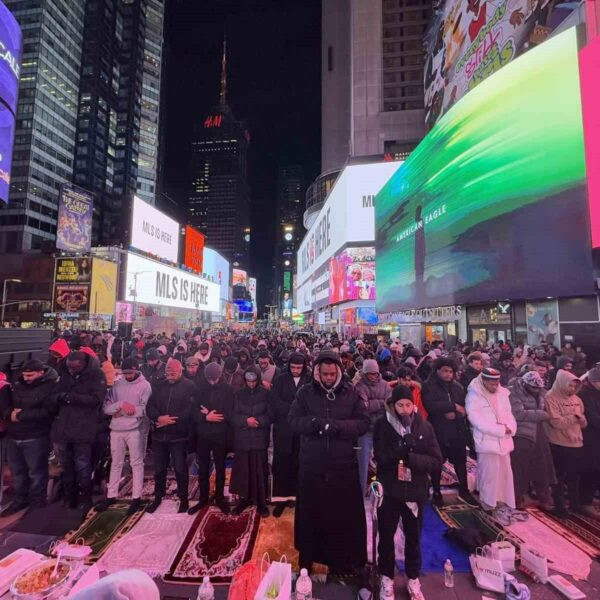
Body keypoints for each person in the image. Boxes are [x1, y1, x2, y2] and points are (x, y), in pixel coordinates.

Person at [289, 350, 369, 581]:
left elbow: (363, 423)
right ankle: (307, 559)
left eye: (332, 374)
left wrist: (339, 427)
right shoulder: (305, 393)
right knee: (309, 517)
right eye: (324, 374)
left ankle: (339, 564)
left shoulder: (351, 393)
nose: (328, 378)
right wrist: (314, 424)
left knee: (340, 518)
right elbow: (292, 421)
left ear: (339, 372)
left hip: (342, 467)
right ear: (317, 373)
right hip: (312, 466)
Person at [374, 385, 442, 600]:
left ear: (414, 405)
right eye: (400, 405)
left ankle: (413, 577)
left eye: (408, 404)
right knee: (386, 536)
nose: (404, 409)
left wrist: (412, 459)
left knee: (413, 537)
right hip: (391, 490)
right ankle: (386, 576)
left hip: (415, 492)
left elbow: (436, 460)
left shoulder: (424, 427)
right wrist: (401, 449)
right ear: (393, 406)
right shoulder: (382, 426)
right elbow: (381, 459)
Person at [50, 351, 106, 512]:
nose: (72, 370)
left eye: (76, 368)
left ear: (83, 365)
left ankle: (85, 498)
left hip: (84, 428)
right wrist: (61, 398)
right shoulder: (63, 373)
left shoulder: (96, 375)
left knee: (82, 466)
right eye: (70, 367)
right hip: (63, 428)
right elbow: (53, 396)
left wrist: (73, 398)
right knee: (66, 466)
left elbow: (97, 399)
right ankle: (69, 496)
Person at [0, 360, 57, 515]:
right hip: (15, 435)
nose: (26, 378)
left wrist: (21, 415)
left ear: (41, 372)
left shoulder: (50, 387)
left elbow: (49, 412)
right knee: (17, 472)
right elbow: (6, 407)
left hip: (36, 436)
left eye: (30, 375)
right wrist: (9, 414)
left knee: (36, 472)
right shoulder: (16, 386)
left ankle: (37, 503)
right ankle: (19, 501)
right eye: (24, 375)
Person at [96, 357, 151, 516]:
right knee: (116, 462)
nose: (128, 376)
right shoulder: (118, 385)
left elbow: (145, 409)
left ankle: (136, 497)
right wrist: (120, 406)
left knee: (136, 462)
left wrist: (126, 410)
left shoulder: (145, 386)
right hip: (116, 429)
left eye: (131, 373)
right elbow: (106, 408)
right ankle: (111, 494)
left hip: (135, 429)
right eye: (125, 373)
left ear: (137, 370)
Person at [422, 358, 476, 507]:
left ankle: (464, 491)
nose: (448, 374)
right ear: (438, 370)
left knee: (460, 462)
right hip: (438, 431)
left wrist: (457, 413)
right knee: (437, 463)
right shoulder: (429, 386)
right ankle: (437, 492)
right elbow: (430, 405)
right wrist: (451, 407)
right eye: (445, 371)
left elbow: (464, 408)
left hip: (457, 431)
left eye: (450, 371)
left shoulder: (457, 387)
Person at [466, 368, 517, 525]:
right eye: (491, 383)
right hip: (486, 441)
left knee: (505, 474)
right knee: (489, 475)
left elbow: (510, 415)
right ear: (484, 381)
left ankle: (502, 503)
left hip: (505, 441)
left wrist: (510, 428)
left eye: (497, 383)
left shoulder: (503, 394)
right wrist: (500, 429)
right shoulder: (474, 395)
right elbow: (476, 420)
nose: (495, 386)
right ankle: (488, 505)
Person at [146, 357, 195, 513]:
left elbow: (189, 410)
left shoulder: (189, 386)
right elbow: (150, 406)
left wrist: (170, 420)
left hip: (178, 436)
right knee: (159, 469)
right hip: (159, 435)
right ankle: (158, 497)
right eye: (168, 373)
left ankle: (184, 499)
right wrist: (158, 418)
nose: (170, 375)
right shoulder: (158, 385)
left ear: (180, 371)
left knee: (180, 468)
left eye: (173, 373)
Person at [188, 362, 233, 515]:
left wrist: (214, 414)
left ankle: (219, 497)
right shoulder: (199, 387)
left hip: (220, 434)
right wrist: (206, 416)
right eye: (210, 379)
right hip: (203, 434)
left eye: (215, 379)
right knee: (203, 467)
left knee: (220, 468)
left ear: (220, 376)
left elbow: (230, 411)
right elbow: (193, 411)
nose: (212, 382)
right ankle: (203, 498)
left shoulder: (228, 389)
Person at [271, 352, 311, 517]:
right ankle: (281, 499)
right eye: (293, 367)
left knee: (299, 463)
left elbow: (310, 402)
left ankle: (296, 497)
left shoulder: (309, 380)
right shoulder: (280, 379)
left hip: (301, 430)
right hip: (283, 429)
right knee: (282, 464)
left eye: (298, 368)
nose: (295, 370)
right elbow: (274, 401)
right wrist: (294, 409)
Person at [508, 371, 554, 510]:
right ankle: (516, 498)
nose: (536, 390)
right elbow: (517, 414)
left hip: (540, 432)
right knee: (520, 469)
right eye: (533, 387)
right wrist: (541, 414)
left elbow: (549, 412)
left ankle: (544, 498)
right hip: (522, 434)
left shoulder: (542, 392)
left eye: (538, 388)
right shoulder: (513, 392)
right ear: (524, 383)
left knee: (543, 467)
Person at [230, 367, 272, 518]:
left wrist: (258, 422)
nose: (252, 384)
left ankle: (262, 502)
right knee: (243, 471)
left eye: (254, 381)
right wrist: (246, 421)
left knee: (260, 471)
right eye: (249, 381)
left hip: (259, 438)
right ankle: (244, 499)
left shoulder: (266, 394)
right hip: (243, 438)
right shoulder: (238, 394)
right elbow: (232, 416)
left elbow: (271, 414)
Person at [545, 369, 587, 517]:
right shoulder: (550, 397)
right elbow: (556, 422)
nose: (573, 389)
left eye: (575, 387)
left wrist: (581, 420)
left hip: (576, 443)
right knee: (559, 477)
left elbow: (583, 422)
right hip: (559, 443)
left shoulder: (577, 399)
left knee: (574, 476)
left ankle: (575, 504)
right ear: (562, 383)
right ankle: (560, 507)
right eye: (570, 386)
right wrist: (574, 418)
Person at [354, 359, 391, 496]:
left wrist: (373, 404)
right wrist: (382, 403)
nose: (372, 376)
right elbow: (363, 407)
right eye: (369, 374)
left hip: (382, 430)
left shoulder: (386, 386)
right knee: (362, 464)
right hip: (365, 430)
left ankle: (383, 492)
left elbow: (390, 405)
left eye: (374, 373)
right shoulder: (359, 386)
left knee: (384, 462)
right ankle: (361, 493)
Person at [578, 367, 600, 514]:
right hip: (590, 439)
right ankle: (585, 501)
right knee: (590, 469)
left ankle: (591, 497)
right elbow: (592, 418)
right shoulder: (585, 395)